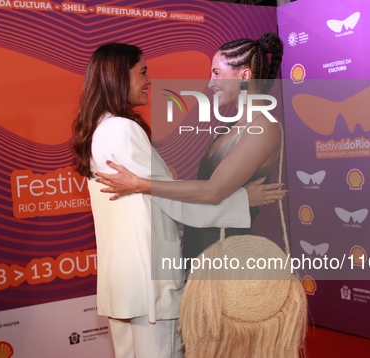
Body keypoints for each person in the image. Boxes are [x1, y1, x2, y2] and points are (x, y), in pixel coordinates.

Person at [71, 43, 268, 358]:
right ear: (120, 76)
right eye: (143, 72)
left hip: (124, 282)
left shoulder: (100, 129)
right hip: (149, 283)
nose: (149, 81)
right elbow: (170, 201)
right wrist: (241, 201)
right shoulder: (123, 130)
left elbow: (151, 195)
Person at [96, 34, 286, 262]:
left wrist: (141, 184)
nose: (210, 83)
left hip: (230, 252)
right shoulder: (230, 127)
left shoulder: (264, 127)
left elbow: (213, 191)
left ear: (244, 76)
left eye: (216, 73)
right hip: (202, 246)